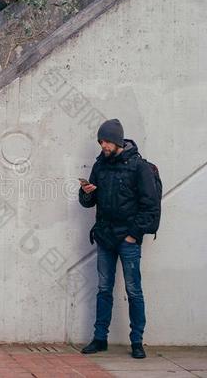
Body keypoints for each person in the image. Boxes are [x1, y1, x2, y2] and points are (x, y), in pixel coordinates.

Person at [78, 119, 160, 359]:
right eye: (100, 141)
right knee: (104, 289)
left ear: (117, 140)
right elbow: (89, 203)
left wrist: (134, 235)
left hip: (127, 239)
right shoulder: (99, 166)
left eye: (105, 141)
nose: (102, 145)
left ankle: (137, 341)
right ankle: (99, 338)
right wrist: (85, 193)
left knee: (134, 290)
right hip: (105, 236)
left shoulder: (139, 167)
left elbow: (150, 205)